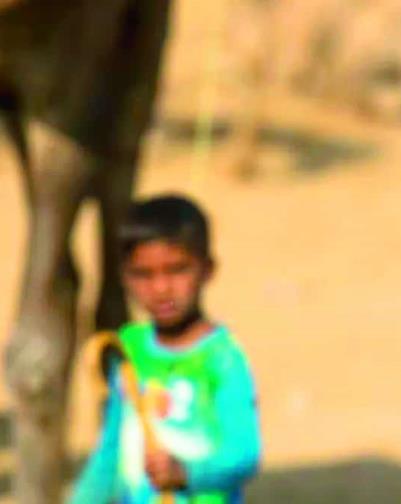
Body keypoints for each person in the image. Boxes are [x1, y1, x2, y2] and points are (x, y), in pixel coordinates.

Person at [71, 195, 261, 504]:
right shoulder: (130, 353)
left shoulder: (222, 360)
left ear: (208, 270)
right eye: (143, 274)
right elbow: (109, 454)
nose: (161, 288)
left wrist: (188, 473)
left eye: (177, 270)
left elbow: (243, 453)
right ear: (124, 277)